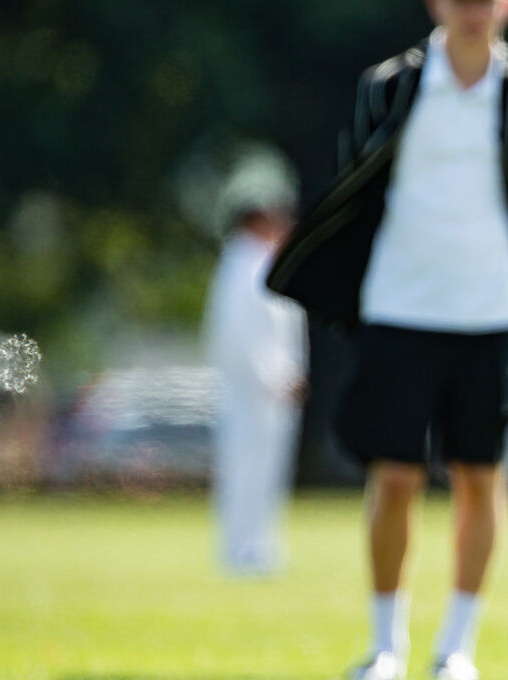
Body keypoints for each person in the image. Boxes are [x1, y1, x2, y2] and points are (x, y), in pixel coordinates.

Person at [264, 1, 508, 678]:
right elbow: (358, 184)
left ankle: (457, 648)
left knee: (479, 476)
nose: (474, 11)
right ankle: (386, 647)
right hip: (399, 310)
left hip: (490, 314)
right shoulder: (389, 85)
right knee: (395, 475)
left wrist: (489, 266)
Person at [203, 147, 307, 578]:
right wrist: (277, 377)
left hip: (268, 390)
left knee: (266, 469)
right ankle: (242, 548)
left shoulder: (258, 262)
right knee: (248, 468)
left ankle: (257, 544)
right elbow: (246, 335)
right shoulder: (245, 265)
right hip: (253, 389)